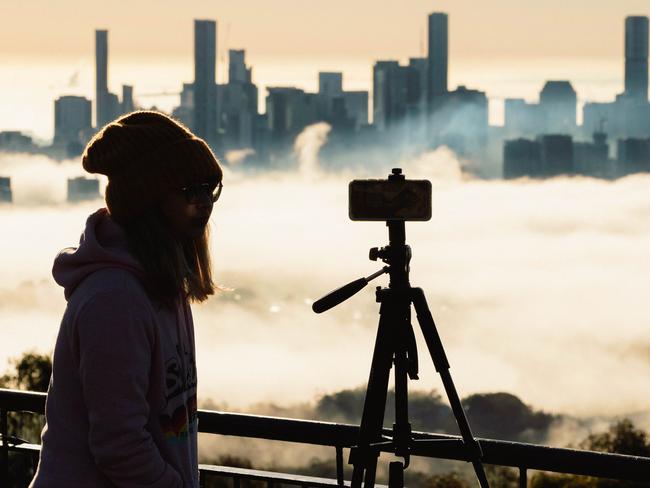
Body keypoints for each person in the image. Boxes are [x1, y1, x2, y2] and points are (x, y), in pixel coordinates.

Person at [30, 111, 223, 487]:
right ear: (147, 199)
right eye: (190, 190)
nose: (204, 202)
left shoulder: (162, 286)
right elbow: (120, 446)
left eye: (210, 188)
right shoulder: (115, 299)